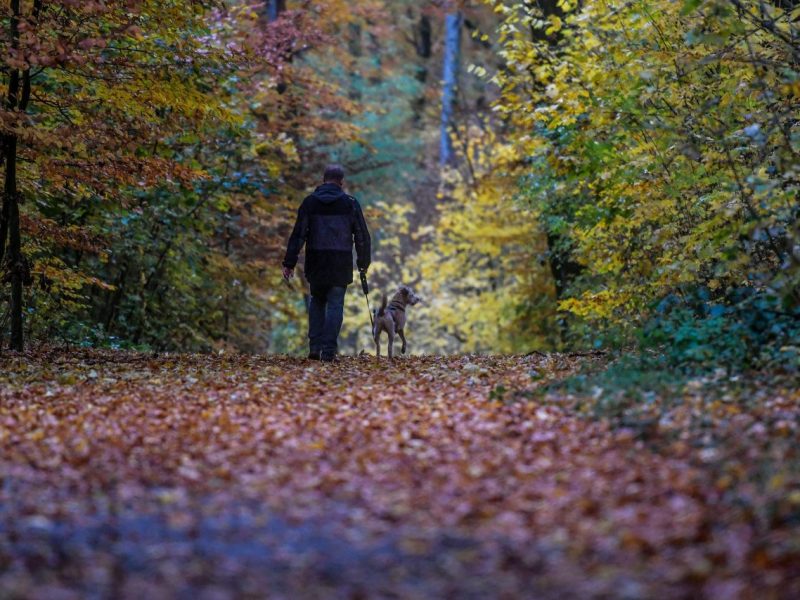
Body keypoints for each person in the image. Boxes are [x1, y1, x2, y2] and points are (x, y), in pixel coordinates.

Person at [282, 165, 371, 362]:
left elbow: (298, 234)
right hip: (340, 262)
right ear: (341, 182)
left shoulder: (310, 203)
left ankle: (315, 347)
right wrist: (363, 262)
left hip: (317, 261)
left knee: (317, 301)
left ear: (323, 180)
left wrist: (289, 262)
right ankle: (328, 350)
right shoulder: (350, 204)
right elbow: (362, 236)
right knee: (335, 304)